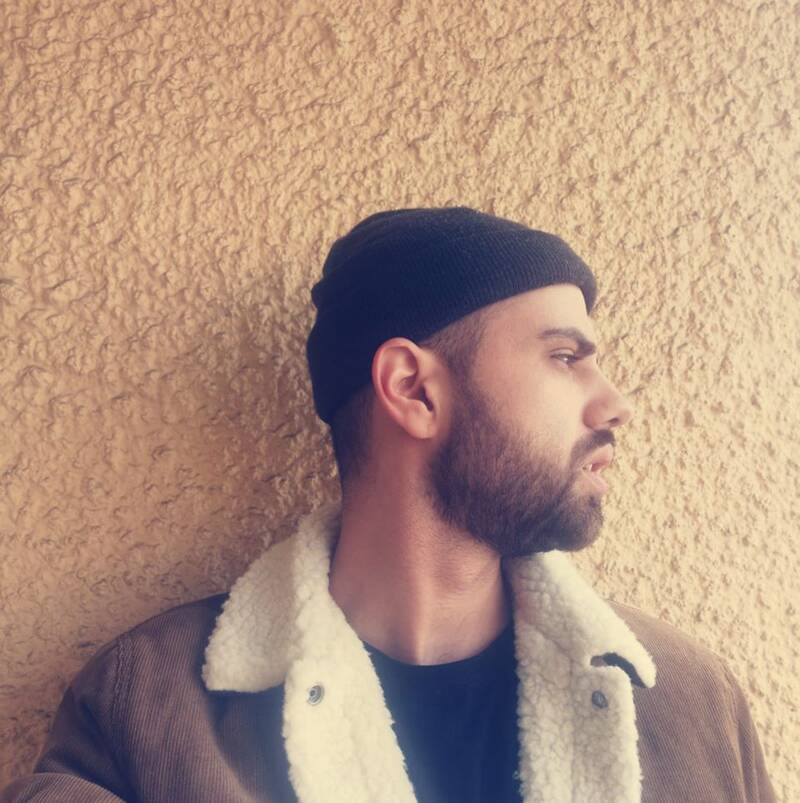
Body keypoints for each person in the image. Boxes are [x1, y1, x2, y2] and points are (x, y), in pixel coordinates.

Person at [2, 207, 776, 802]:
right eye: (565, 356)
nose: (615, 404)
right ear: (412, 389)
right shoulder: (151, 705)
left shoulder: (689, 705)